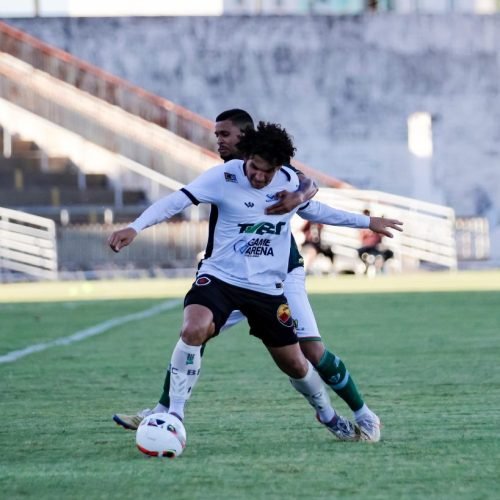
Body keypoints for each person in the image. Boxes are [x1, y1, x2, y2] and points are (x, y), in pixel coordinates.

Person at [111, 112, 403, 442]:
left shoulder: (290, 181)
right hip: (220, 278)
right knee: (194, 329)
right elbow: (175, 200)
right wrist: (135, 227)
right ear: (247, 156)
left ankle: (335, 414)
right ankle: (172, 414)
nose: (261, 178)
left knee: (302, 359)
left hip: (272, 284)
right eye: (255, 169)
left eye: (268, 172)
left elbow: (314, 204)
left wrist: (366, 222)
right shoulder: (223, 176)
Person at [358, 209, 394, 275]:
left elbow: (381, 236)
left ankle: (379, 267)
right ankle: (367, 266)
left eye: (368, 214)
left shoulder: (374, 224)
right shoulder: (362, 226)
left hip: (376, 247)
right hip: (367, 247)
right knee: (361, 252)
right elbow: (361, 238)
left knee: (389, 253)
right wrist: (369, 232)